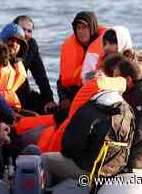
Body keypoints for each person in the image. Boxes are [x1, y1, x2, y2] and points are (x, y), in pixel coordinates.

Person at [41, 55, 134, 183]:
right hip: (113, 169)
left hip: (90, 170)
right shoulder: (127, 109)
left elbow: (70, 149)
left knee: (44, 159)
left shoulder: (91, 109)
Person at [112, 58, 142, 170]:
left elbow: (139, 131)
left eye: (116, 79)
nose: (114, 83)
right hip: (125, 150)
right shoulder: (129, 93)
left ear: (128, 80)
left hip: (135, 157)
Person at [57, 11, 108, 109]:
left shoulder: (105, 48)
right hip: (73, 96)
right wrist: (64, 98)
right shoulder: (70, 48)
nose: (81, 31)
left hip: (95, 98)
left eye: (85, 27)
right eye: (78, 28)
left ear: (92, 28)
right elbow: (61, 80)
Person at [13, 15, 57, 113]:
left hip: (24, 93)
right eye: (23, 29)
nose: (26, 34)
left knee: (52, 110)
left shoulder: (32, 45)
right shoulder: (6, 45)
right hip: (6, 96)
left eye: (29, 31)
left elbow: (40, 75)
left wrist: (49, 100)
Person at [101, 26, 142, 91]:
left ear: (122, 42)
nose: (107, 47)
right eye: (105, 43)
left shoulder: (137, 63)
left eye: (112, 43)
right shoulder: (110, 62)